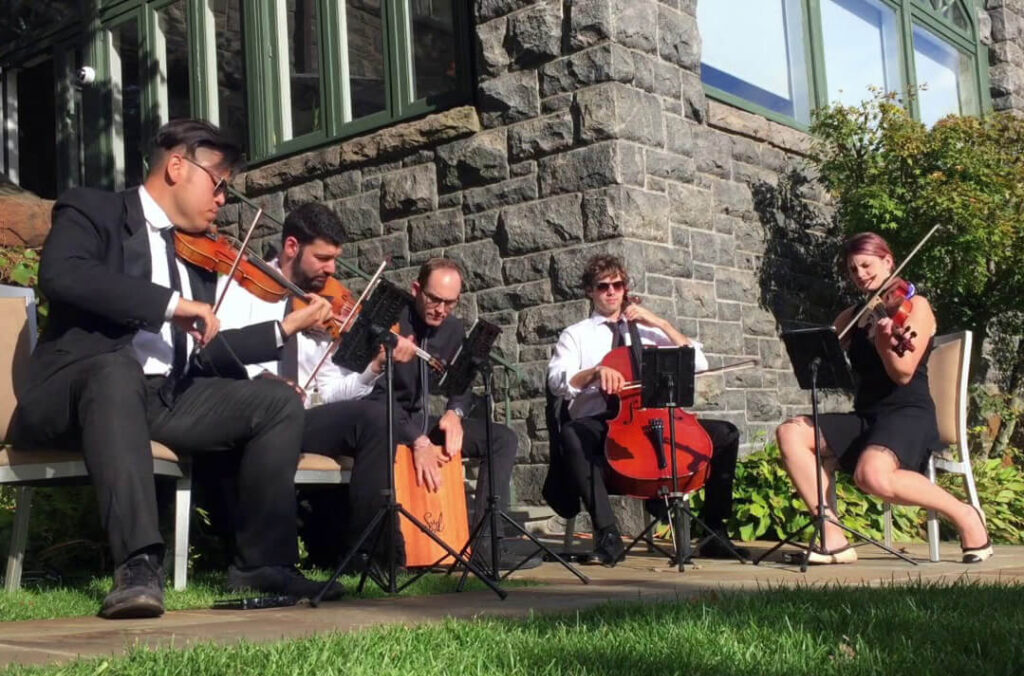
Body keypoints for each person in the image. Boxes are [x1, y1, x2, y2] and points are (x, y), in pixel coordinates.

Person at [9, 119, 341, 619]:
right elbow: (64, 274)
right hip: (76, 390)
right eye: (220, 182)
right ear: (178, 166)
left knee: (274, 403)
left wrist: (287, 327)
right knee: (115, 370)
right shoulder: (92, 208)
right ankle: (138, 565)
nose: (224, 198)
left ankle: (264, 564)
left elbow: (207, 353)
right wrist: (171, 305)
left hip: (164, 397)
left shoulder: (199, 252)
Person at [216, 201, 418, 568]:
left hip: (304, 416)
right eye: (323, 258)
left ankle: (367, 553)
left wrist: (373, 367)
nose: (333, 269)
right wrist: (266, 377)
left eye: (335, 259)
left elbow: (328, 391)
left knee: (376, 417)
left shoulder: (320, 305)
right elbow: (222, 351)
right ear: (292, 246)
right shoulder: (245, 286)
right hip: (253, 415)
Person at [775, 232, 991, 564]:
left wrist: (885, 344)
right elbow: (834, 369)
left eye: (866, 265)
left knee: (871, 475)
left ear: (888, 261)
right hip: (867, 415)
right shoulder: (849, 317)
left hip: (908, 411)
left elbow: (903, 373)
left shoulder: (914, 305)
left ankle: (966, 515)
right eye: (852, 269)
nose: (860, 274)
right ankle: (832, 537)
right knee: (791, 432)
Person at [545, 254, 748, 566]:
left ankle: (714, 532)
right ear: (591, 291)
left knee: (725, 434)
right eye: (603, 287)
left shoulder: (649, 330)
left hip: (656, 418)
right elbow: (559, 381)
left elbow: (699, 363)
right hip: (605, 422)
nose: (612, 292)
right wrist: (596, 372)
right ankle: (608, 535)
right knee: (573, 433)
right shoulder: (577, 334)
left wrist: (661, 323)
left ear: (626, 288)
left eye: (618, 285)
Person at [366, 258, 540, 570]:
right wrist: (418, 441)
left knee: (501, 438)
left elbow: (462, 380)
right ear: (417, 289)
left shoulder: (453, 328)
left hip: (419, 421)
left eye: (450, 302)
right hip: (384, 422)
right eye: (434, 299)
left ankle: (488, 544)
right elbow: (377, 397)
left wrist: (454, 413)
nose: (440, 310)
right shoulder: (390, 318)